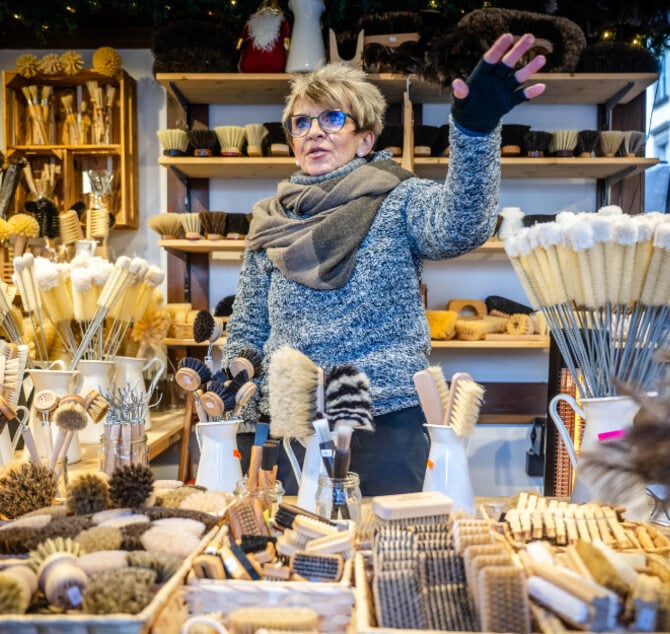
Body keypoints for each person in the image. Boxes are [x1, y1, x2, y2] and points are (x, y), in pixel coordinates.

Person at [224, 33, 546, 495]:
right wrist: (240, 387)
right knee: (292, 553)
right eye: (300, 123)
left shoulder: (399, 200)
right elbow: (250, 322)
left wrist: (474, 130)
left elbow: (462, 225)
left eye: (332, 119)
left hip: (385, 419)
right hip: (288, 420)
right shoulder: (271, 220)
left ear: (365, 138)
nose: (313, 132)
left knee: (388, 553)